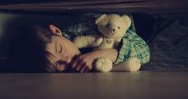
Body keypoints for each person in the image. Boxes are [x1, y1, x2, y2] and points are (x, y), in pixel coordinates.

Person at [8, 14, 150, 73]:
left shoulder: (89, 27)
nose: (68, 60)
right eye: (57, 64)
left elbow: (144, 52)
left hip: (133, 25)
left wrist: (106, 53)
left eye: (61, 50)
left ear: (56, 30)